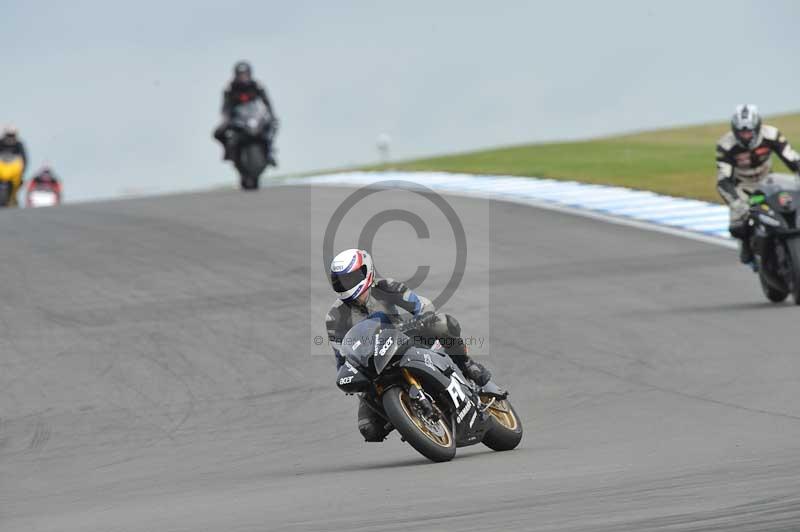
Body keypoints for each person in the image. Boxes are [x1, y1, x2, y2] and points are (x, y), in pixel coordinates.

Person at [325, 248, 491, 442]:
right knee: (369, 429)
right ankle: (409, 417)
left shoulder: (386, 287)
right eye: (341, 281)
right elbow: (342, 357)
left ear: (366, 271)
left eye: (352, 278)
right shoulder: (334, 317)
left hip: (406, 340)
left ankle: (468, 365)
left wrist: (422, 318)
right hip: (374, 366)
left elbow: (421, 305)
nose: (347, 285)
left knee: (442, 323)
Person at [716, 105, 800, 268]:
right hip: (743, 186)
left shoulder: (772, 135)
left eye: (749, 131)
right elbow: (723, 180)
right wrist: (736, 203)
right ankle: (749, 249)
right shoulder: (725, 145)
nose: (746, 136)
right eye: (741, 132)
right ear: (734, 130)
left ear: (758, 127)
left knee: (790, 205)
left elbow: (792, 159)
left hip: (768, 180)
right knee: (738, 226)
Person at [212, 61, 278, 165]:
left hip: (255, 116)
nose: (243, 77)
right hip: (237, 119)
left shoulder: (257, 85)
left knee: (273, 125)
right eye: (240, 74)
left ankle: (270, 152)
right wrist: (226, 119)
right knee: (218, 133)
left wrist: (271, 115)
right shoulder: (229, 88)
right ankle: (228, 152)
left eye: (245, 74)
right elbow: (225, 107)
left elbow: (267, 102)